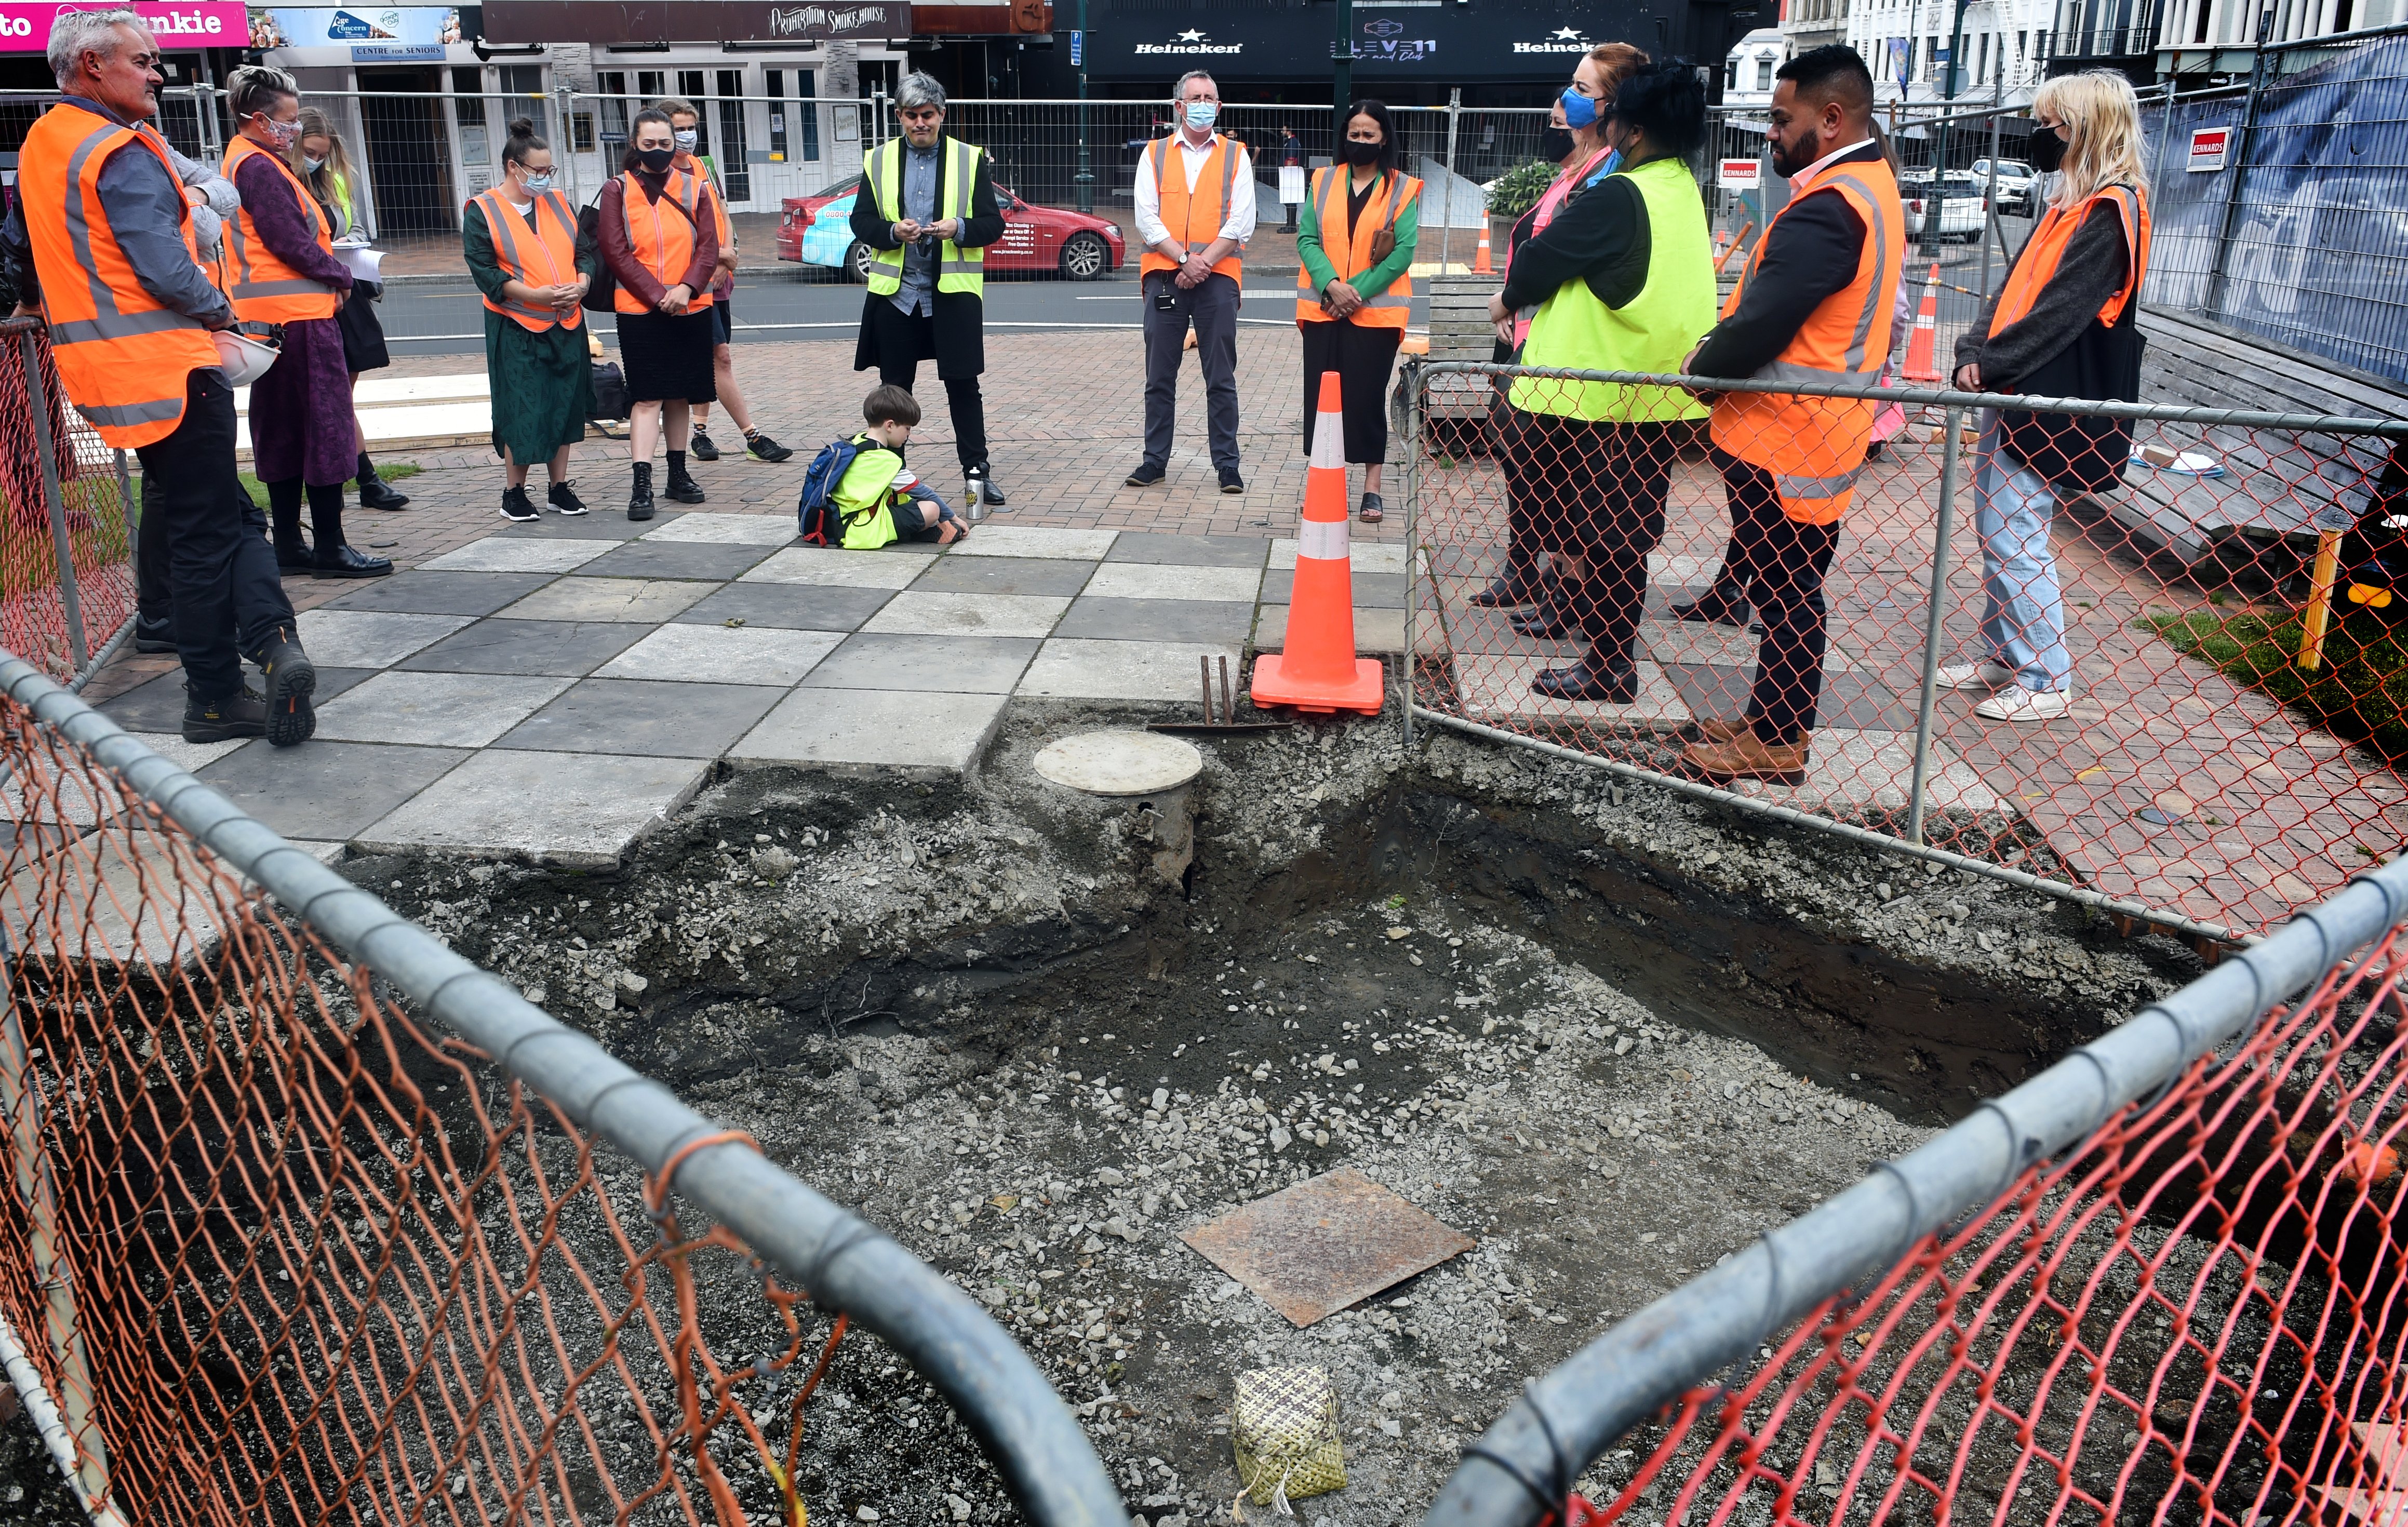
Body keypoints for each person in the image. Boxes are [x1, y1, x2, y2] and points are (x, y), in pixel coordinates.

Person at [4, 9, 315, 745]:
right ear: (91, 67)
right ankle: (216, 693)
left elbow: (22, 250)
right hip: (172, 367)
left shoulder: (46, 144)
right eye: (143, 62)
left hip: (113, 373)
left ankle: (272, 644)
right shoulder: (118, 148)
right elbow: (164, 267)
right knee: (210, 533)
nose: (157, 75)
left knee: (224, 518)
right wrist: (224, 315)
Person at [1676, 44, 1902, 785]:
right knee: (1786, 591)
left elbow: (1766, 322)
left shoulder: (1832, 207)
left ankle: (1778, 740)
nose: (1770, 133)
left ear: (1831, 119)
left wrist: (1700, 372)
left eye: (1782, 119)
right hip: (1817, 430)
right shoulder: (1869, 186)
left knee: (1787, 595)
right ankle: (1769, 721)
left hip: (1787, 435)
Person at [1487, 60, 1716, 702]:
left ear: (1633, 129)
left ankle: (1610, 664)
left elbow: (1541, 257)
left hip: (1600, 395)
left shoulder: (1622, 193)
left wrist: (1506, 301)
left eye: (1610, 112)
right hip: (1652, 392)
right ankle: (1596, 644)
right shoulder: (1680, 189)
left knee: (1610, 538)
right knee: (1614, 533)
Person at [1943, 70, 2152, 724]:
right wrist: (1973, 353)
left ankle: (2045, 674)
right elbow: (2013, 293)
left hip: (2042, 391)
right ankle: (2007, 656)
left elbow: (2063, 311)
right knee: (1999, 528)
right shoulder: (2070, 204)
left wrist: (1990, 362)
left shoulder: (2111, 209)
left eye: (2052, 125)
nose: (2042, 136)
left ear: (2085, 128)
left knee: (2016, 533)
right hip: (2018, 385)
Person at [1467, 45, 1647, 612]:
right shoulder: (1573, 167)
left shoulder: (1608, 175)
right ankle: (1529, 571)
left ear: (1611, 104)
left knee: (1561, 479)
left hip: (1559, 348)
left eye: (1581, 88)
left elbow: (1562, 257)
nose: (1565, 97)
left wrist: (1512, 299)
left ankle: (1568, 589)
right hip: (1528, 340)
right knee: (1527, 468)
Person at [222, 65, 389, 579]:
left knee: (283, 432)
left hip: (269, 324)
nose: (294, 131)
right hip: (301, 322)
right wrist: (338, 275)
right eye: (288, 120)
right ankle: (331, 547)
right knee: (325, 431)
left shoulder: (243, 160)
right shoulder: (261, 168)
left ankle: (292, 544)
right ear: (259, 119)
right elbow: (289, 240)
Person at [849, 73, 1007, 507]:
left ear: (942, 114)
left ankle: (977, 474)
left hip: (951, 295)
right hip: (897, 296)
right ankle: (889, 477)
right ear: (899, 116)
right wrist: (892, 231)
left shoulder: (970, 159)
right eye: (912, 116)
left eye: (929, 115)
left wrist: (959, 228)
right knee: (895, 390)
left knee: (962, 386)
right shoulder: (878, 160)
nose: (921, 123)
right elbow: (860, 222)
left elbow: (994, 225)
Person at [1128, 70, 1255, 494]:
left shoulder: (1237, 155)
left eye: (1210, 97)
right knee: (1159, 377)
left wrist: (1202, 263)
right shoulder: (1155, 153)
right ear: (1179, 106)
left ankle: (1227, 465)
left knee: (1221, 376)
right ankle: (1154, 461)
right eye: (1195, 97)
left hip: (1218, 279)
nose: (1203, 104)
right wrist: (1184, 259)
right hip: (1166, 275)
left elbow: (1242, 221)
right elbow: (1146, 218)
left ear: (1219, 107)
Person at [1295, 99, 1420, 525]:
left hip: (1375, 317)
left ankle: (1372, 489)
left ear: (1384, 138)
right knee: (1322, 399)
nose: (1360, 142)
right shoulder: (1323, 181)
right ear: (1343, 136)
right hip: (1324, 310)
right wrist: (1332, 286)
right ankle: (1322, 482)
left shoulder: (1401, 188)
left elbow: (1402, 253)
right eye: (1354, 134)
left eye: (1369, 135)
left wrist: (1354, 293)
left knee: (1365, 399)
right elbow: (1307, 239)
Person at [465, 117, 593, 522]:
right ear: (513, 167)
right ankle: (514, 493)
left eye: (548, 170)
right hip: (516, 324)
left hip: (567, 321)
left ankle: (559, 488)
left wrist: (583, 284)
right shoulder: (482, 210)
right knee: (521, 406)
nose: (544, 178)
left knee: (564, 404)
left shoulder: (557, 202)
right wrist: (534, 295)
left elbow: (584, 253)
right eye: (537, 171)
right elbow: (486, 272)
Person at [595, 106, 718, 521]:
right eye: (650, 144)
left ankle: (678, 474)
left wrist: (685, 289)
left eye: (666, 143)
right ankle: (641, 481)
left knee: (681, 393)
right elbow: (615, 250)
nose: (660, 150)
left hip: (690, 305)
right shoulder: (617, 189)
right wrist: (657, 294)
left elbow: (708, 247)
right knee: (647, 397)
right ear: (635, 145)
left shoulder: (695, 188)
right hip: (640, 309)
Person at [662, 98, 792, 466]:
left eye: (691, 127)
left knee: (714, 359)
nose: (686, 136)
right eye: (679, 128)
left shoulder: (705, 166)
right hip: (692, 280)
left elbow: (722, 212)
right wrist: (712, 260)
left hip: (719, 279)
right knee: (720, 356)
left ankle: (700, 433)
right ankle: (752, 436)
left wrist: (729, 252)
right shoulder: (663, 177)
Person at [292, 108, 408, 514]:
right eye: (310, 152)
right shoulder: (285, 183)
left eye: (323, 154)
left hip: (344, 287)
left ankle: (364, 478)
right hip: (312, 294)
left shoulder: (333, 180)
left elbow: (354, 225)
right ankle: (363, 478)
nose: (317, 161)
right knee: (330, 397)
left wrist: (349, 244)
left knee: (343, 393)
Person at [829, 384, 968, 548]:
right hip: (864, 530)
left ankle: (910, 531)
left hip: (843, 520)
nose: (909, 434)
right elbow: (924, 493)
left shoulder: (857, 441)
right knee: (932, 508)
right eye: (907, 428)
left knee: (912, 494)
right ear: (889, 426)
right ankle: (912, 534)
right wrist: (953, 518)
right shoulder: (885, 459)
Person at [1277, 124, 1304, 234]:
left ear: (1289, 131)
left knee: (1290, 200)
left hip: (1290, 174)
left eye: (1283, 130)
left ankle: (1291, 226)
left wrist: (1287, 174)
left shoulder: (1292, 142)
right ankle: (1290, 224)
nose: (1281, 132)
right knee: (1289, 199)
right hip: (1290, 174)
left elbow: (1291, 159)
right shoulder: (1291, 141)